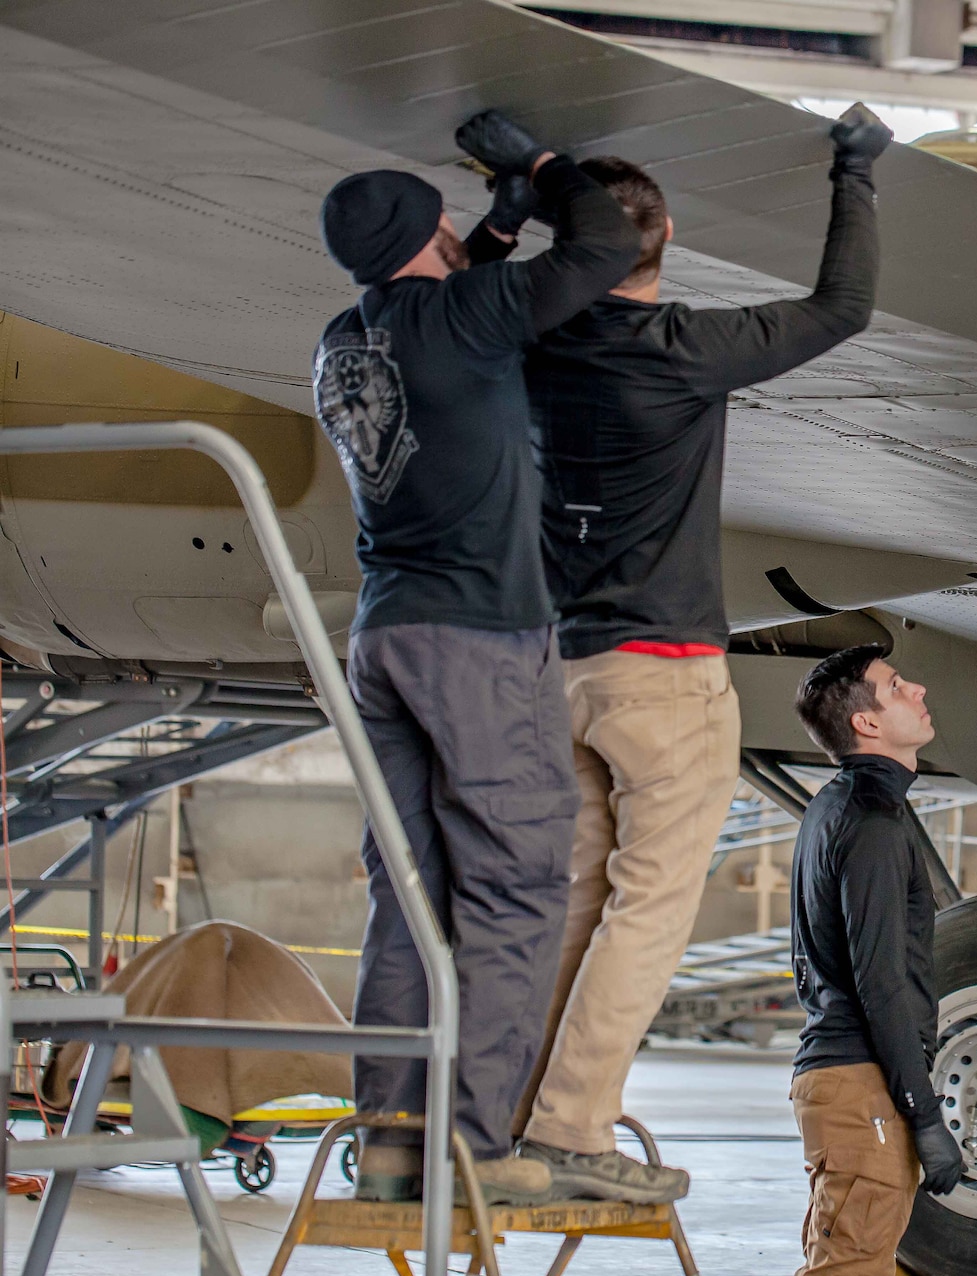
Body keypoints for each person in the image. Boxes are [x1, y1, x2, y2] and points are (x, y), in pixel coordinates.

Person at [481, 104, 892, 1203]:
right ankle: (570, 1134)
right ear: (659, 245)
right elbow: (840, 308)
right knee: (649, 907)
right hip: (659, 674)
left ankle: (524, 1125)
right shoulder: (685, 352)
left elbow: (474, 287)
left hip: (551, 666)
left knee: (577, 900)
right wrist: (851, 172)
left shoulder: (525, 338)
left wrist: (509, 205)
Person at [312, 111, 639, 1206]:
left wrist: (492, 234)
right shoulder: (466, 314)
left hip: (384, 637)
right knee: (512, 884)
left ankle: (395, 1143)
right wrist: (547, 168)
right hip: (478, 640)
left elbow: (441, 318)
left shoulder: (341, 341)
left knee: (408, 892)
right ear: (427, 232)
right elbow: (602, 250)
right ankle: (477, 1145)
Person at [785, 645, 965, 1276]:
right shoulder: (873, 823)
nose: (916, 687)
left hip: (842, 1079)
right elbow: (881, 981)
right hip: (863, 1087)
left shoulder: (834, 807)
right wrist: (922, 1112)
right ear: (866, 724)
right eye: (894, 686)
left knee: (836, 1273)